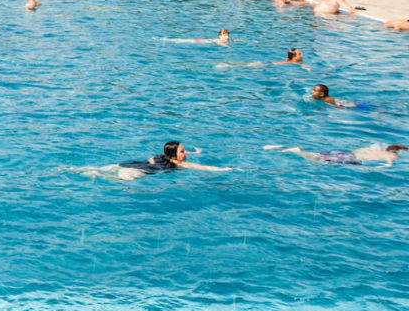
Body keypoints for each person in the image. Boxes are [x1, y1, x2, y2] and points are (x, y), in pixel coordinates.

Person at [113, 140, 230, 179]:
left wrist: (195, 152)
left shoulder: (161, 156)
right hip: (139, 171)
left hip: (132, 165)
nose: (185, 153)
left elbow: (152, 159)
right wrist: (226, 169)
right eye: (182, 152)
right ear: (174, 156)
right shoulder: (182, 165)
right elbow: (204, 168)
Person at [265, 143, 407, 166]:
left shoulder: (374, 148)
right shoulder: (392, 155)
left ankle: (284, 146)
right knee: (319, 160)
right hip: (352, 159)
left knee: (319, 155)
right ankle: (296, 151)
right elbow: (388, 165)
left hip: (347, 153)